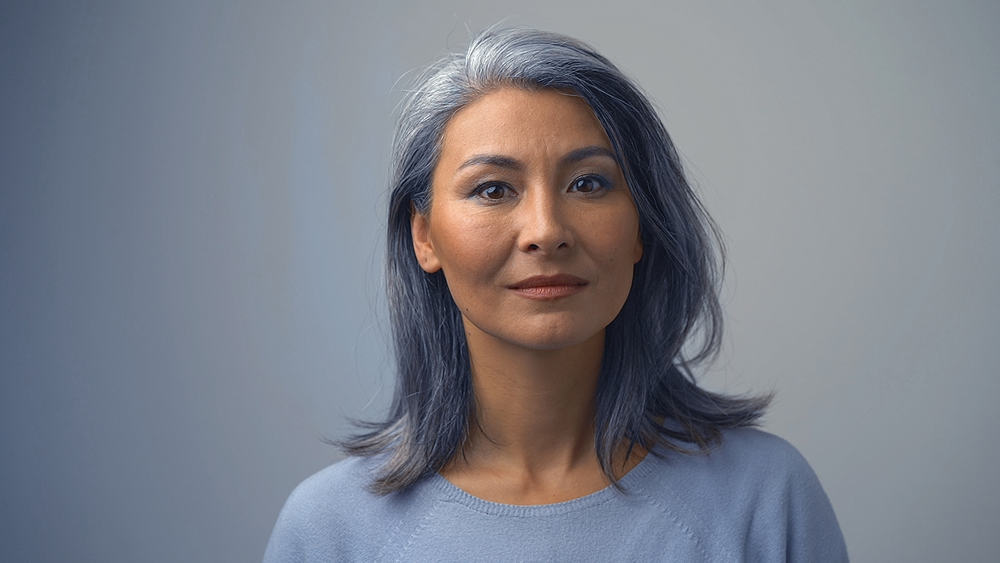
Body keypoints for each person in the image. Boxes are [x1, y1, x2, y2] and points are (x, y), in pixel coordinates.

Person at [264, 27, 847, 562]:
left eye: (588, 183)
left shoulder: (765, 501)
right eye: (493, 189)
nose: (546, 230)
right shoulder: (329, 531)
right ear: (424, 236)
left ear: (642, 226)